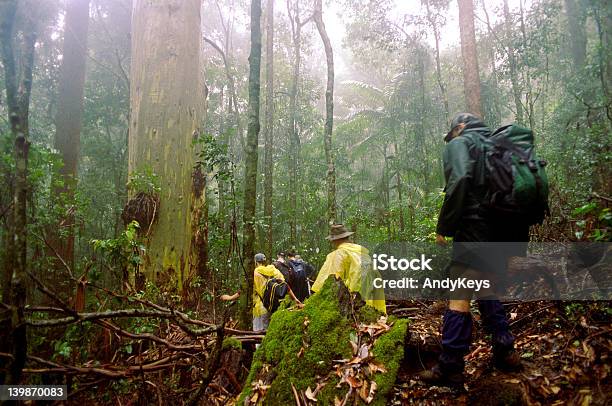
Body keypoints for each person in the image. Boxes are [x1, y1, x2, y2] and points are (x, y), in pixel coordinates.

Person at [419, 113, 527, 387]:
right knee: (486, 288)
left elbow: (460, 180)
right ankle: (505, 351)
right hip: (500, 233)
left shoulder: (460, 143)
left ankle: (450, 366)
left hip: (473, 230)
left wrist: (445, 225)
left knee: (459, 296)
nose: (451, 139)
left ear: (460, 128)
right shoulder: (496, 147)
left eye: (452, 134)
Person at [311, 224, 386, 313]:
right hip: (369, 300)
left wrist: (316, 297)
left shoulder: (338, 254)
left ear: (335, 240)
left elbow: (330, 279)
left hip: (352, 302)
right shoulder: (363, 254)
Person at [253, 253, 302, 332]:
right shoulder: (274, 271)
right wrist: (295, 299)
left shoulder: (257, 271)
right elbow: (285, 284)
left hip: (260, 305)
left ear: (256, 262)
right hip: (272, 305)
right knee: (268, 329)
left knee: (258, 331)